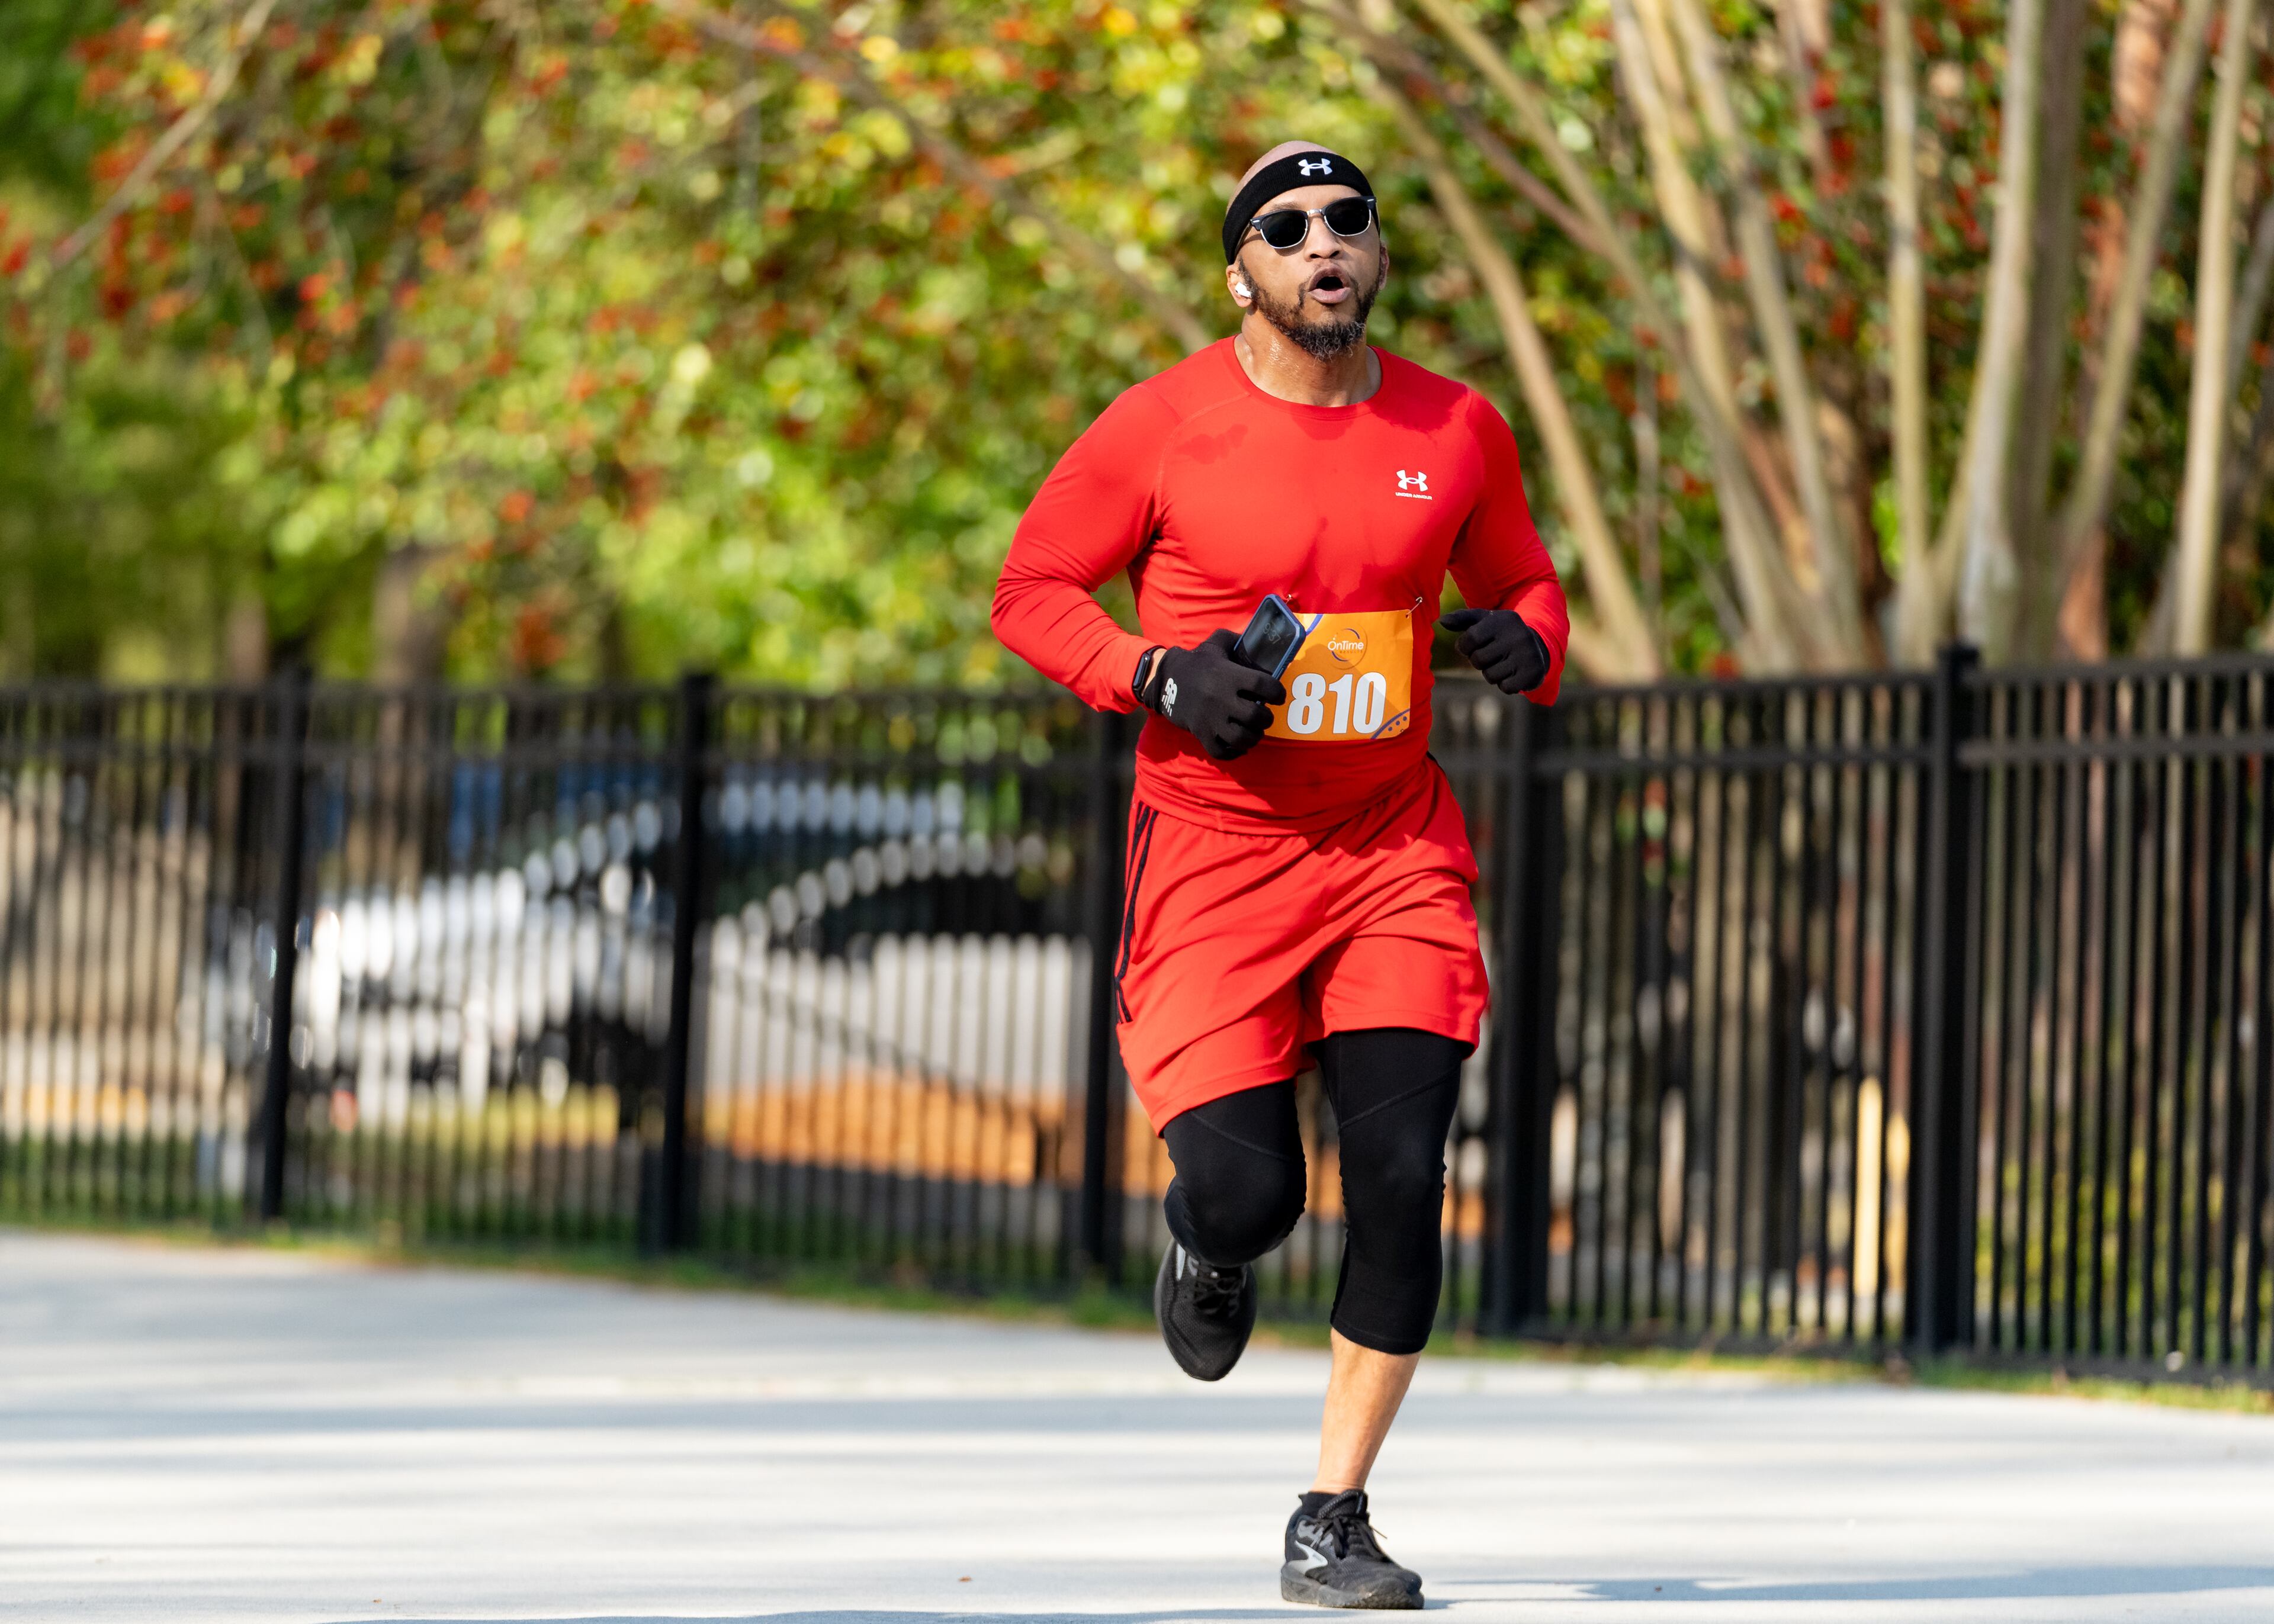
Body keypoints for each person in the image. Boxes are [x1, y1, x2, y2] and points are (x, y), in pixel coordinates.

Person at [990, 141, 1568, 1610]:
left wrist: (1527, 644)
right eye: (1288, 226)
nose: (1326, 243)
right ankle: (1208, 1241)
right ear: (1238, 271)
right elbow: (1031, 590)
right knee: (1253, 1194)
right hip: (1214, 860)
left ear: (1376, 256)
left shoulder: (1459, 425)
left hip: (1392, 853)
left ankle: (1335, 1511)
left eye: (1349, 221)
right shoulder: (1164, 425)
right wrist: (1155, 674)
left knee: (1401, 1181)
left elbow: (1524, 582)